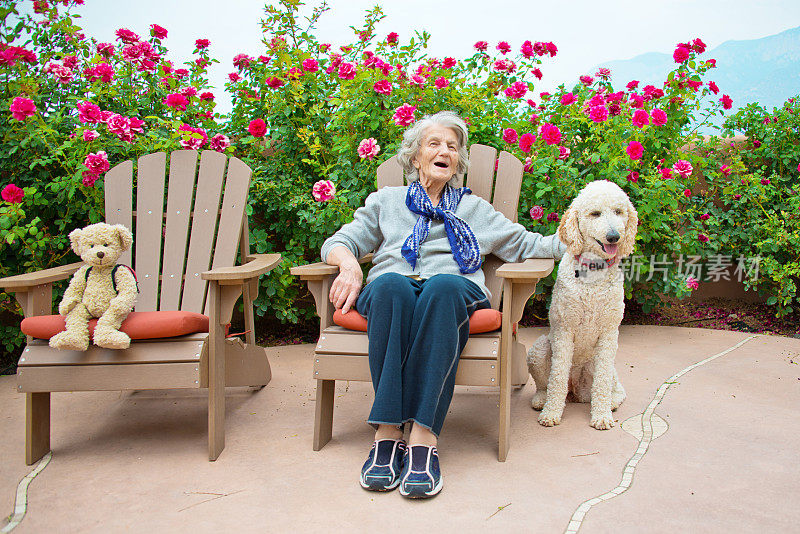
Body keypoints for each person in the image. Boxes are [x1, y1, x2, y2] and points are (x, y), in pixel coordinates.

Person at [320, 111, 565, 499]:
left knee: (443, 288)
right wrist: (348, 264)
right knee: (389, 288)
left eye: (452, 146)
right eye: (434, 143)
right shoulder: (387, 201)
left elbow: (529, 245)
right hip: (393, 289)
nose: (444, 151)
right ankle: (387, 431)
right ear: (415, 157)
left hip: (453, 293)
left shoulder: (474, 210)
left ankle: (423, 435)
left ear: (458, 162)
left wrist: (588, 240)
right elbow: (341, 241)